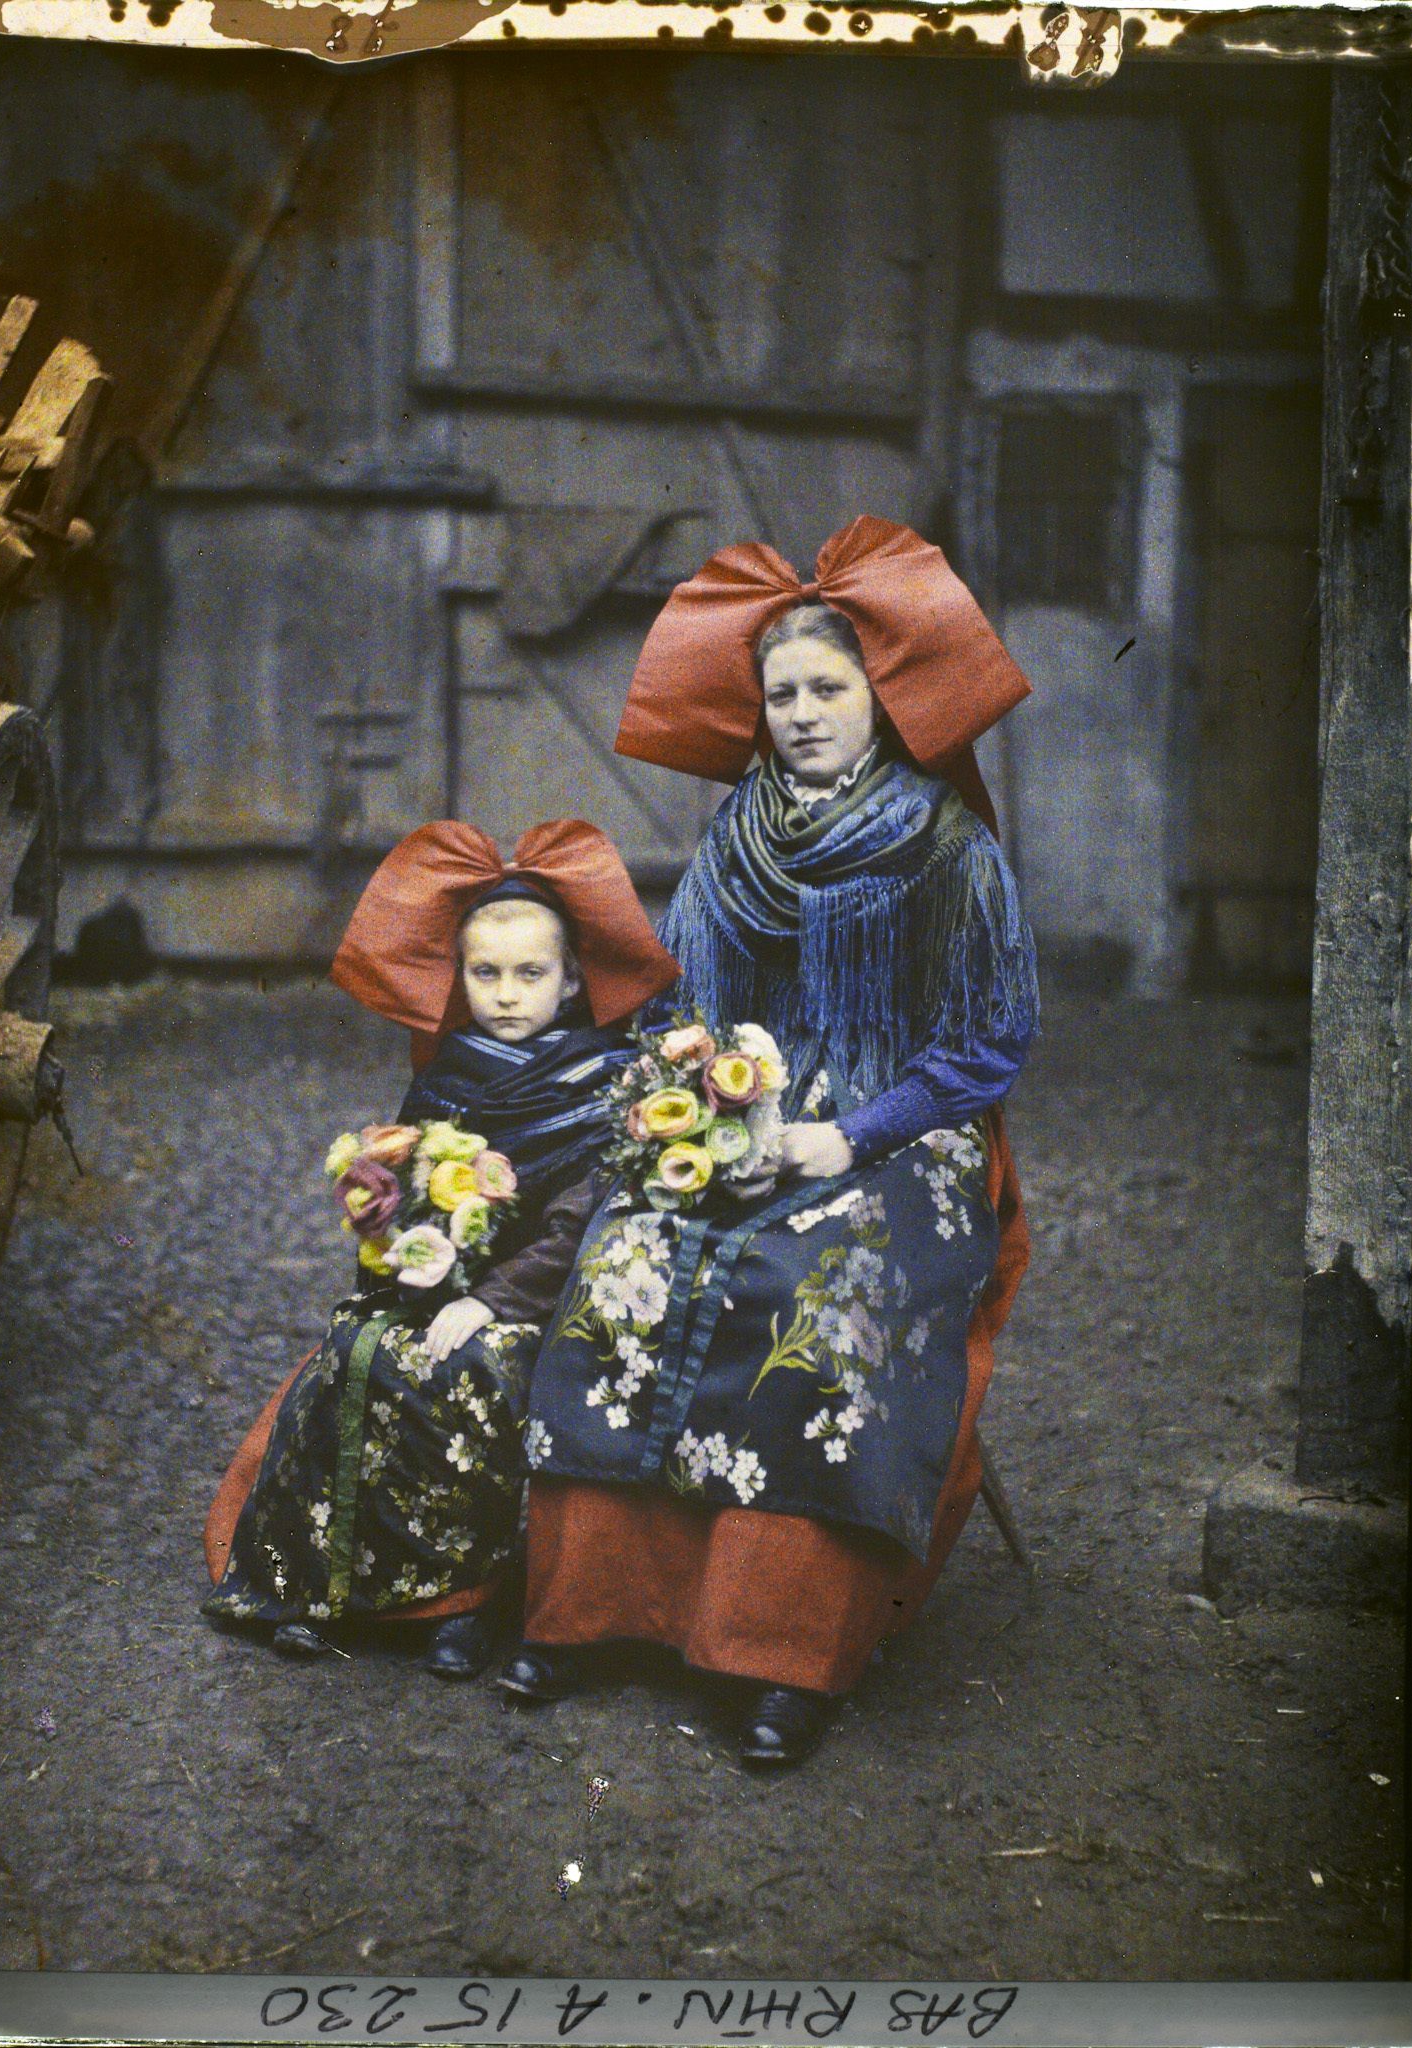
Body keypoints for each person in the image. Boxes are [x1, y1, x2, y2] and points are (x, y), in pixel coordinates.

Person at [500, 517, 1039, 1763]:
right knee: (627, 1256)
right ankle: (588, 1612)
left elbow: (989, 1041)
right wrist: (697, 1099)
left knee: (820, 1283)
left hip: (903, 1130)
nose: (800, 714)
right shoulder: (737, 832)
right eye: (781, 693)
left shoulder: (945, 844)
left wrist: (846, 1137)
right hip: (747, 1111)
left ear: (879, 698)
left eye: (826, 689)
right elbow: (681, 1004)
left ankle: (786, 1649)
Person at [201, 820, 677, 1679]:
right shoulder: (450, 1071)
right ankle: (325, 1589)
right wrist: (401, 1243)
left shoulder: (604, 1083)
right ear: (458, 976)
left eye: (530, 974)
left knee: (468, 1371)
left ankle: (459, 1606)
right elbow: (410, 1186)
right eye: (485, 973)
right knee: (353, 1349)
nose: (506, 995)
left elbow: (581, 1220)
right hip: (441, 1284)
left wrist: (487, 1300)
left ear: (571, 980)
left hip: (543, 1297)